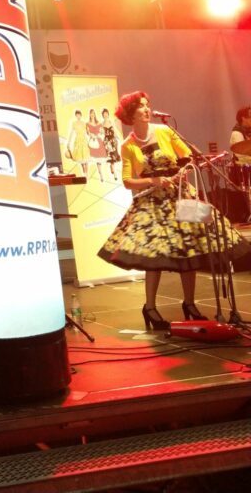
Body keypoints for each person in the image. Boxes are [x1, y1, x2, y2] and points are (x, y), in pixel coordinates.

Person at [98, 90, 250, 331]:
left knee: (192, 248)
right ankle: (150, 307)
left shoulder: (165, 131)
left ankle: (190, 304)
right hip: (153, 203)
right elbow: (127, 181)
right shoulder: (128, 145)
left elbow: (189, 157)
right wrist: (153, 181)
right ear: (131, 114)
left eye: (147, 105)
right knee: (154, 255)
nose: (147, 109)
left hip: (181, 196)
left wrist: (181, 172)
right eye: (141, 106)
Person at [86, 108, 107, 181]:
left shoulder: (99, 123)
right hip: (92, 142)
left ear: (95, 114)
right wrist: (91, 135)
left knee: (99, 160)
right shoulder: (87, 123)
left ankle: (101, 174)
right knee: (89, 159)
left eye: (93, 113)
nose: (92, 114)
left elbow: (102, 132)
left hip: (99, 141)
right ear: (89, 114)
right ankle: (87, 176)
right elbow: (88, 133)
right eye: (91, 113)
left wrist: (99, 134)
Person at [66, 109, 89, 176]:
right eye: (77, 115)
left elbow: (88, 132)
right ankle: (84, 173)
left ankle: (86, 174)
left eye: (79, 115)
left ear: (81, 115)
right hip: (78, 140)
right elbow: (71, 133)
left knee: (86, 158)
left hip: (84, 140)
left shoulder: (84, 123)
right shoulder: (74, 123)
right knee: (80, 158)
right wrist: (68, 142)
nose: (78, 116)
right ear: (75, 116)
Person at [101, 107, 121, 180]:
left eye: (106, 113)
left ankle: (112, 166)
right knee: (111, 156)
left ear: (108, 114)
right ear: (102, 115)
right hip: (107, 141)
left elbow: (114, 130)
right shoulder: (102, 124)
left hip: (113, 140)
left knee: (114, 156)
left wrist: (118, 137)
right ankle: (115, 174)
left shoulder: (111, 121)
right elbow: (102, 133)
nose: (105, 115)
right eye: (104, 114)